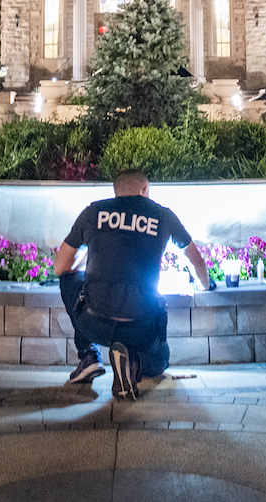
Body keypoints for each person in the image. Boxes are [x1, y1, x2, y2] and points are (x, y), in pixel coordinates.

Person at [52, 168, 211, 400]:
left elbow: (60, 267)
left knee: (69, 278)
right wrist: (205, 285)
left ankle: (87, 355)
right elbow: (194, 259)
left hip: (95, 323)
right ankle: (133, 361)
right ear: (145, 189)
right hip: (141, 326)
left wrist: (88, 262)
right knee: (160, 360)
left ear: (116, 190)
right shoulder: (162, 215)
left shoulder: (94, 212)